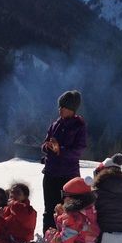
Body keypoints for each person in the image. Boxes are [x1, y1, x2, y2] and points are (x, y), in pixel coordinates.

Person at [41, 90, 86, 232]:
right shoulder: (55, 124)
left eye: (63, 107)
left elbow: (78, 150)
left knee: (67, 209)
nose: (60, 109)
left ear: (72, 110)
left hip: (68, 176)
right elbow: (44, 145)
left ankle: (64, 240)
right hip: (50, 173)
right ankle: (47, 239)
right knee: (49, 209)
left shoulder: (79, 126)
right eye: (59, 106)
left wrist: (60, 150)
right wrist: (47, 146)